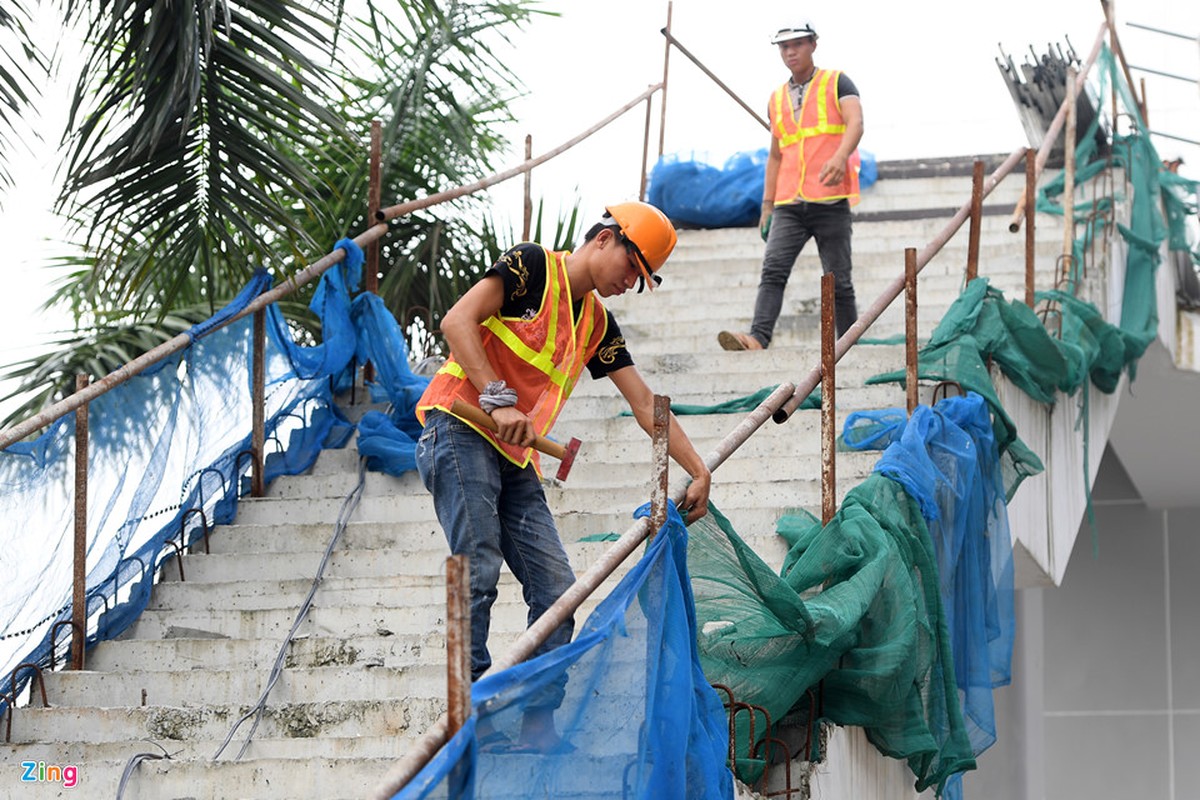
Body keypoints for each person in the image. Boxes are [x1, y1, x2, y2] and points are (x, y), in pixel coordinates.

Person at [414, 201, 712, 750]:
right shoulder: (530, 267)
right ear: (604, 239)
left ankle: (534, 722)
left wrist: (698, 470)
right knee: (477, 569)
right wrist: (500, 400)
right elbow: (456, 322)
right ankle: (469, 718)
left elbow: (645, 403)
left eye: (641, 279)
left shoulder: (597, 323)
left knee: (558, 592)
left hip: (514, 455)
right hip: (459, 426)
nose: (630, 283)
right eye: (631, 268)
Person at [718, 20, 864, 351]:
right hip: (789, 204)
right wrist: (767, 205)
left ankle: (849, 345)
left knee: (839, 281)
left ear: (813, 44)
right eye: (784, 46)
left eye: (797, 44)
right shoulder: (777, 98)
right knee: (772, 271)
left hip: (830, 200)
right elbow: (775, 156)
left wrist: (841, 156)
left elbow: (856, 122)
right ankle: (757, 338)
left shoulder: (837, 81)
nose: (790, 51)